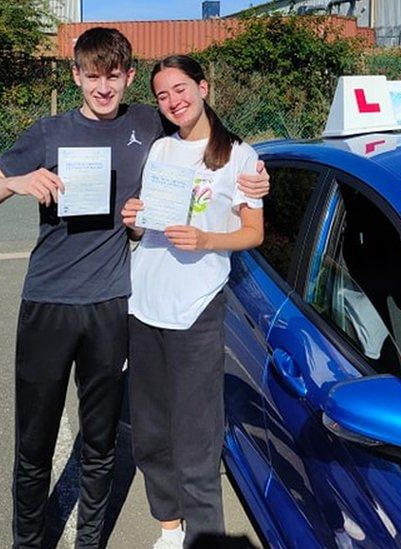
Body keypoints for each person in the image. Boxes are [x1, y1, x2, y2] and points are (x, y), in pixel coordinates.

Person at [0, 29, 268, 548]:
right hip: (50, 302)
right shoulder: (47, 131)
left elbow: (211, 136)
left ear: (128, 78)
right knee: (35, 442)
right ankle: (28, 541)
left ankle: (90, 541)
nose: (103, 88)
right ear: (75, 76)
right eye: (92, 76)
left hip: (111, 303)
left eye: (114, 76)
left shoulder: (147, 122)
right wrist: (18, 182)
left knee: (102, 442)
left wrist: (258, 175)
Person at [120, 54, 264, 549]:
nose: (173, 101)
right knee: (152, 431)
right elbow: (144, 228)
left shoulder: (239, 157)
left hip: (196, 308)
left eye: (180, 89)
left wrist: (206, 241)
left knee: (198, 436)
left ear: (203, 87)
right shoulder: (160, 150)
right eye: (162, 95)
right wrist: (133, 218)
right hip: (144, 304)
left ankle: (203, 536)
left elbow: (253, 232)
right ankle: (169, 526)